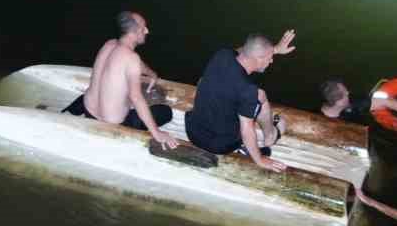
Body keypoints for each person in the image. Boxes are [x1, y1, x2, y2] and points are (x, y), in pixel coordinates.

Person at [63, 11, 179, 150]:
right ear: (134, 32)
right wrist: (156, 133)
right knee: (165, 112)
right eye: (144, 28)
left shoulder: (109, 44)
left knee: (98, 90)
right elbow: (135, 97)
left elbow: (135, 62)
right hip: (111, 124)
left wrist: (151, 73)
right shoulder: (131, 58)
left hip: (89, 109)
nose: (147, 31)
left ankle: (71, 111)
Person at [184, 31, 297, 172]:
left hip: (193, 130)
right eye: (270, 57)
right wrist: (260, 160)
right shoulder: (247, 89)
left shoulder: (222, 55)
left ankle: (265, 136)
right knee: (259, 96)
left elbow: (243, 51)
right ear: (259, 58)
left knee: (252, 94)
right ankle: (270, 136)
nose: (271, 60)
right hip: (219, 145)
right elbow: (247, 130)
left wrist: (274, 49)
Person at [318, 79, 397, 126]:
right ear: (338, 102)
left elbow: (389, 102)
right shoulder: (316, 117)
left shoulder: (354, 104)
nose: (348, 92)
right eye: (345, 93)